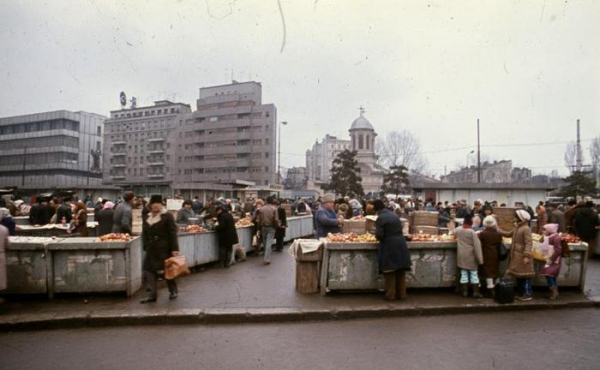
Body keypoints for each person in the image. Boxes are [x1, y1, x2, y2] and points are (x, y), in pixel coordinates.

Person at [140, 195, 179, 303]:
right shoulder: (147, 216)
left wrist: (174, 249)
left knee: (168, 270)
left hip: (164, 247)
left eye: (158, 203)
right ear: (150, 205)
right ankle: (152, 295)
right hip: (151, 248)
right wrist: (145, 245)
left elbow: (172, 233)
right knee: (148, 269)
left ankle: (173, 291)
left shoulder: (167, 216)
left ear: (161, 204)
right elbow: (144, 233)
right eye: (153, 203)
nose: (155, 205)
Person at [373, 199, 411, 301]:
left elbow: (380, 235)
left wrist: (376, 235)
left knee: (389, 270)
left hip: (390, 244)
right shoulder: (393, 215)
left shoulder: (381, 218)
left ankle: (390, 294)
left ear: (376, 210)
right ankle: (402, 294)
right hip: (401, 243)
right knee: (400, 270)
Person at [501, 209, 535, 301]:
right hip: (517, 256)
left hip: (522, 256)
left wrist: (526, 256)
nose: (515, 218)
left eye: (516, 217)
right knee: (519, 275)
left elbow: (528, 243)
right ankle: (521, 293)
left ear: (521, 218)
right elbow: (508, 234)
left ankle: (527, 294)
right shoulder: (518, 227)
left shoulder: (526, 229)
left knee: (526, 276)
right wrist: (496, 229)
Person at [455, 215, 484, 298]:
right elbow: (477, 247)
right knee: (474, 274)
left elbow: (452, 231)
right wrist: (480, 260)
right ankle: (476, 292)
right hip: (471, 256)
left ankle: (464, 291)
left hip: (461, 256)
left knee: (463, 273)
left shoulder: (459, 230)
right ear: (471, 223)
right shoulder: (472, 232)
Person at [478, 215, 502, 297]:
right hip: (495, 254)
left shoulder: (482, 234)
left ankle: (490, 289)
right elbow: (500, 242)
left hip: (485, 254)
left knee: (488, 272)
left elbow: (478, 243)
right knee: (494, 270)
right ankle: (496, 288)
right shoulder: (498, 233)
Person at [540, 223, 562, 300]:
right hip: (550, 258)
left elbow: (558, 250)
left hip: (554, 260)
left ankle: (554, 293)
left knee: (548, 274)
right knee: (552, 275)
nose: (543, 231)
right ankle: (555, 292)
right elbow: (541, 242)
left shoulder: (556, 238)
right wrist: (543, 236)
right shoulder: (549, 237)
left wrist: (550, 260)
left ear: (549, 230)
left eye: (545, 229)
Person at [257, 196, 279, 265]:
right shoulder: (274, 209)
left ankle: (265, 256)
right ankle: (266, 259)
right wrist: (276, 226)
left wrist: (259, 228)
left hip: (263, 227)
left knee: (265, 242)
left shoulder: (261, 209)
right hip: (271, 227)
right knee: (269, 243)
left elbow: (259, 220)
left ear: (266, 201)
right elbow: (276, 220)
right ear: (272, 201)